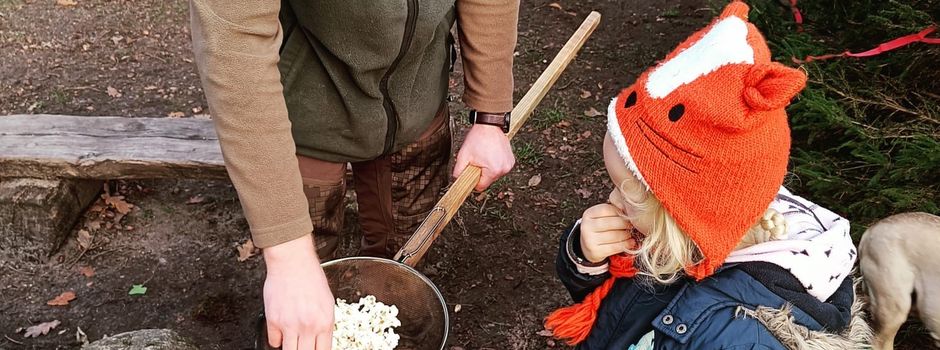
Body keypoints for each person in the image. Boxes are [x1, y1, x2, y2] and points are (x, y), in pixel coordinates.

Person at [188, 1, 520, 349]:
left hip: (419, 107)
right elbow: (234, 43)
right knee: (302, 276)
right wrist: (287, 253)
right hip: (302, 119)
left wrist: (491, 115)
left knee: (403, 260)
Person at [544, 2, 871, 348]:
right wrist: (584, 258)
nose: (611, 200)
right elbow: (620, 307)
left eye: (625, 193)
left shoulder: (739, 336)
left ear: (682, 211)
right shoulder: (672, 238)